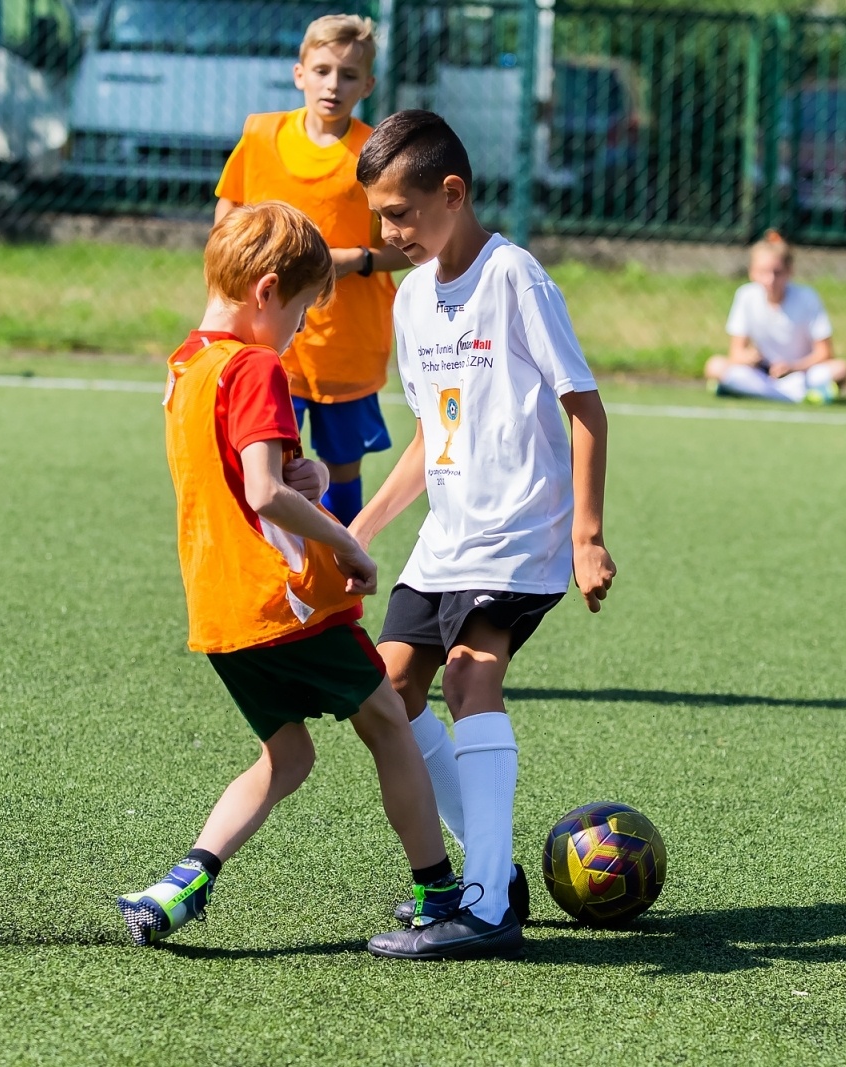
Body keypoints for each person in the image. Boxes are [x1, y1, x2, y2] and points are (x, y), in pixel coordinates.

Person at [115, 201, 468, 957]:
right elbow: (265, 493)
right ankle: (440, 892)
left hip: (218, 611)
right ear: (267, 291)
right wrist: (348, 544)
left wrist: (296, 472)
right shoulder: (255, 364)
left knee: (291, 754)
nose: (301, 331)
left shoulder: (187, 365)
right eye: (304, 312)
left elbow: (245, 474)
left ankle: (181, 884)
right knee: (388, 720)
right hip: (284, 599)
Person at [349, 110, 617, 961]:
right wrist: (357, 527)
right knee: (387, 698)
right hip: (446, 538)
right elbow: (432, 434)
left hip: (517, 533)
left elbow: (586, 409)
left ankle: (487, 905)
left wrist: (587, 536)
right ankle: (491, 877)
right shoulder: (412, 298)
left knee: (469, 681)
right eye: (380, 219)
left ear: (452, 194)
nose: (388, 233)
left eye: (400, 214)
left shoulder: (515, 278)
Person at [212, 14, 406, 525]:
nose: (332, 85)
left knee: (342, 467)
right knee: (265, 467)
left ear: (368, 85)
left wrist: (356, 260)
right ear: (300, 73)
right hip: (267, 338)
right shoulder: (261, 135)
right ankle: (277, 573)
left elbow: (407, 247)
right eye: (322, 70)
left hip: (345, 342)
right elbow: (227, 220)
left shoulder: (377, 153)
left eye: (347, 75)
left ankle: (343, 561)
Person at [705, 234, 846, 404]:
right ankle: (801, 395)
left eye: (777, 272)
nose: (770, 280)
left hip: (800, 373)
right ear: (752, 272)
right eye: (763, 272)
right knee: (715, 366)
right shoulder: (745, 295)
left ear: (789, 271)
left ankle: (744, 389)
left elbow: (825, 353)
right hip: (761, 375)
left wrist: (793, 367)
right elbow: (736, 352)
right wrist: (750, 358)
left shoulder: (808, 297)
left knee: (840, 369)